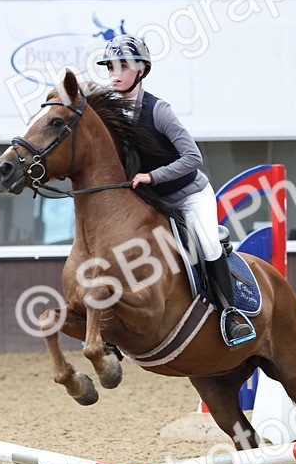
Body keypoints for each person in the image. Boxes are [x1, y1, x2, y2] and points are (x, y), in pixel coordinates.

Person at [96, 35, 255, 345]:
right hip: (151, 203)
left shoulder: (159, 111)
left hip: (189, 196)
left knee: (208, 245)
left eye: (123, 67)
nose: (114, 74)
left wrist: (152, 176)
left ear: (141, 71)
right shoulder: (107, 110)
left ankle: (231, 313)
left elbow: (193, 158)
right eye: (110, 68)